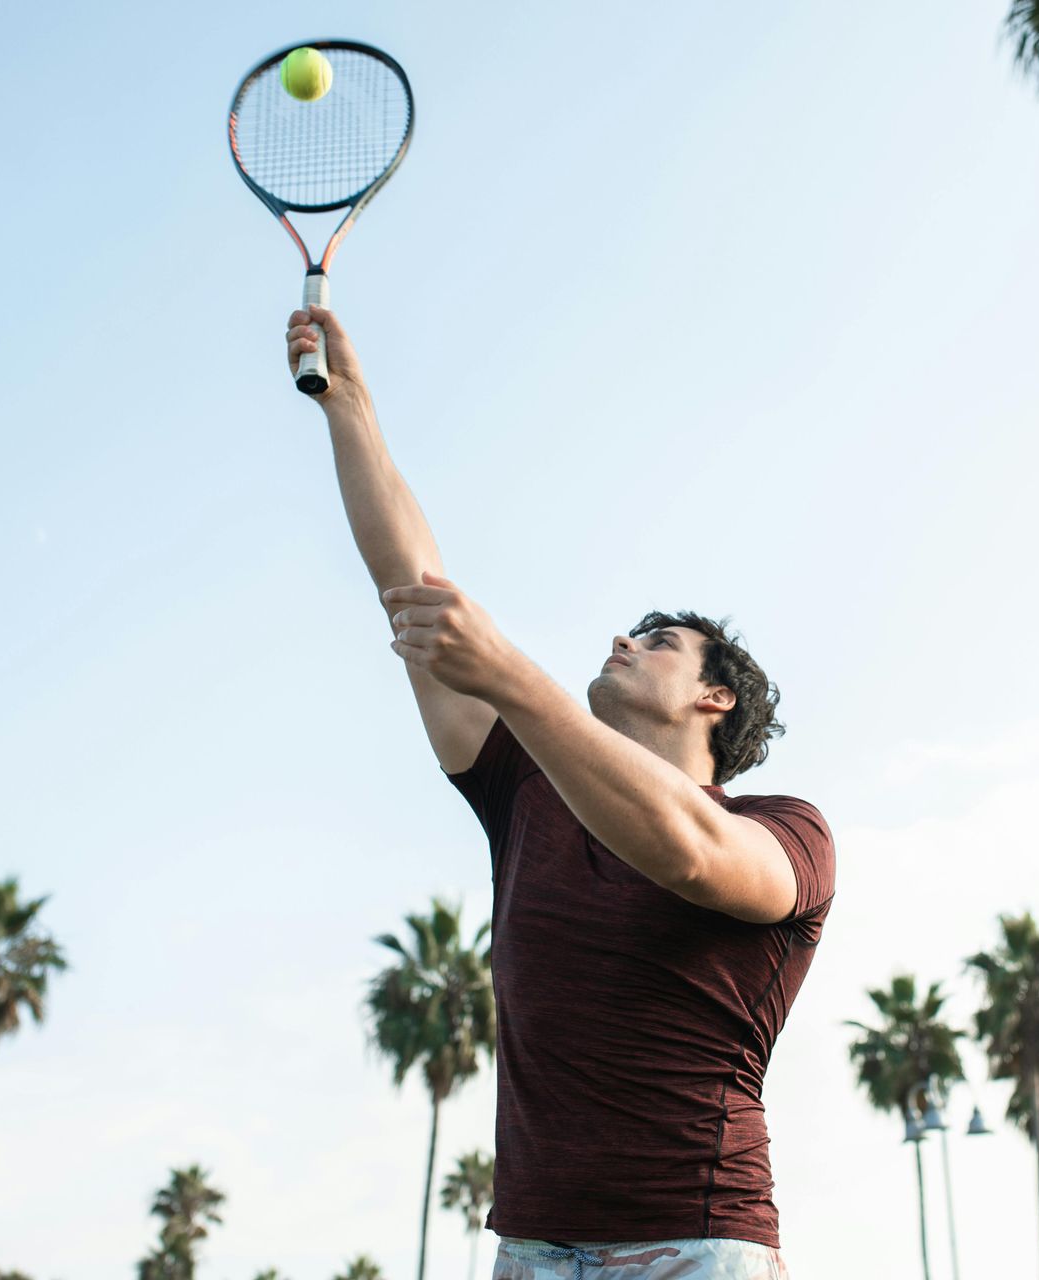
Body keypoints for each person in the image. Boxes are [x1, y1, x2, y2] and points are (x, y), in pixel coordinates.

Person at [286, 308, 835, 1280]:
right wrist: (351, 407)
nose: (622, 640)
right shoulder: (524, 788)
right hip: (528, 1250)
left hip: (698, 1249)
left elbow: (690, 852)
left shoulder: (787, 830)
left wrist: (510, 672)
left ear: (716, 696)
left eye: (658, 641)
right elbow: (408, 585)